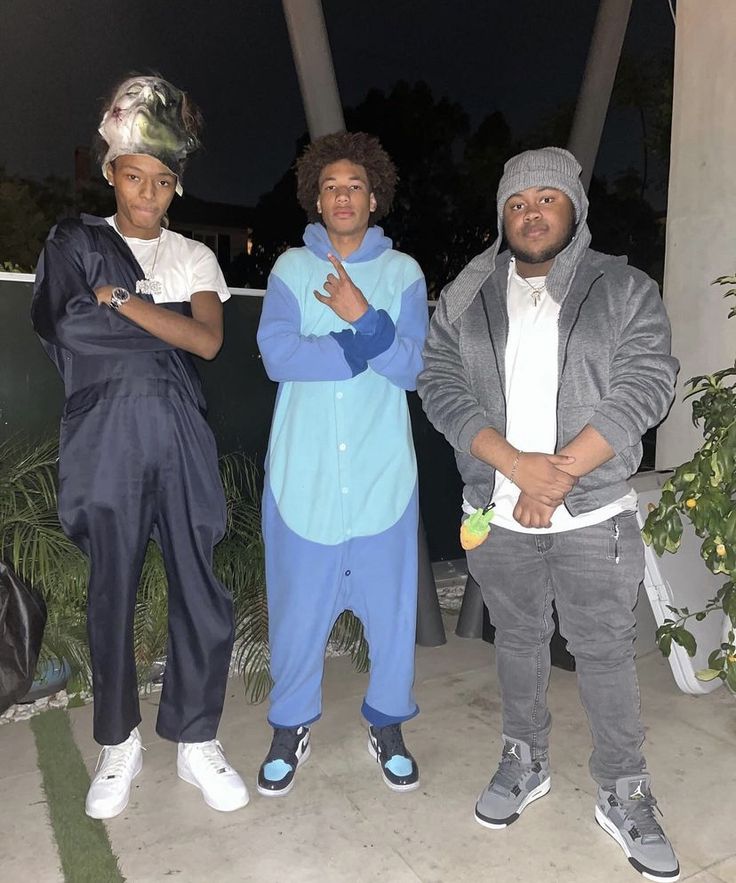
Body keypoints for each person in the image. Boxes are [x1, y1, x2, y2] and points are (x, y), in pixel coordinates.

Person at [417, 147, 680, 882]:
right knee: (520, 639)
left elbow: (647, 384)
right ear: (503, 216)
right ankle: (524, 757)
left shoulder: (623, 287)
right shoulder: (469, 295)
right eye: (517, 203)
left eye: (547, 199)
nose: (531, 212)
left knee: (603, 650)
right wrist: (515, 466)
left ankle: (623, 788)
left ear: (574, 210)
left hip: (593, 510)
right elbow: (438, 382)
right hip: (497, 511)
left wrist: (557, 473)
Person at [31, 75, 248, 819]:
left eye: (162, 180)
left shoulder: (193, 256)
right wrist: (160, 325)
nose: (147, 192)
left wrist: (121, 300)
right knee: (110, 592)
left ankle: (196, 739)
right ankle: (118, 743)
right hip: (104, 433)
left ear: (175, 187)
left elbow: (209, 341)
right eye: (134, 176)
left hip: (181, 430)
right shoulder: (73, 241)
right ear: (111, 172)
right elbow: (67, 328)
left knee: (199, 585)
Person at [256, 131, 428, 797]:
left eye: (354, 184)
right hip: (302, 482)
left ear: (374, 195)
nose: (342, 195)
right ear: (316, 200)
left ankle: (387, 723)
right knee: (297, 614)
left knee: (391, 617)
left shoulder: (404, 273)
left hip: (384, 479)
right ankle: (289, 724)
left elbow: (413, 367)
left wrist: (362, 314)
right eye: (330, 187)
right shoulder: (291, 270)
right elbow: (278, 355)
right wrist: (365, 336)